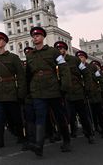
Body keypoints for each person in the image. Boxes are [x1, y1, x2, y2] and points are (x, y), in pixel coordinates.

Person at [25, 27, 72, 157]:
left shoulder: (53, 52)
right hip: (37, 90)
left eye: (38, 36)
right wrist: (28, 91)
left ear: (43, 37)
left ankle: (66, 140)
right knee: (40, 116)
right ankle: (39, 145)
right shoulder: (30, 56)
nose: (35, 38)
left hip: (53, 89)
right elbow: (28, 75)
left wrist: (64, 86)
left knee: (59, 116)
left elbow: (63, 68)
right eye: (34, 36)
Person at [0, 32, 26, 157]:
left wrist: (21, 92)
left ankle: (22, 137)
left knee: (15, 117)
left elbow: (21, 76)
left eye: (0, 40)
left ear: (5, 42)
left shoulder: (13, 58)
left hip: (10, 91)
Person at [54, 42, 95, 144]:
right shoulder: (54, 62)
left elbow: (86, 73)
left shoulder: (74, 60)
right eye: (58, 49)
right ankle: (64, 135)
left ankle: (89, 134)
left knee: (83, 116)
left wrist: (87, 87)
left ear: (65, 50)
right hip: (64, 93)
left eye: (62, 48)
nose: (60, 50)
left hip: (77, 92)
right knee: (65, 116)